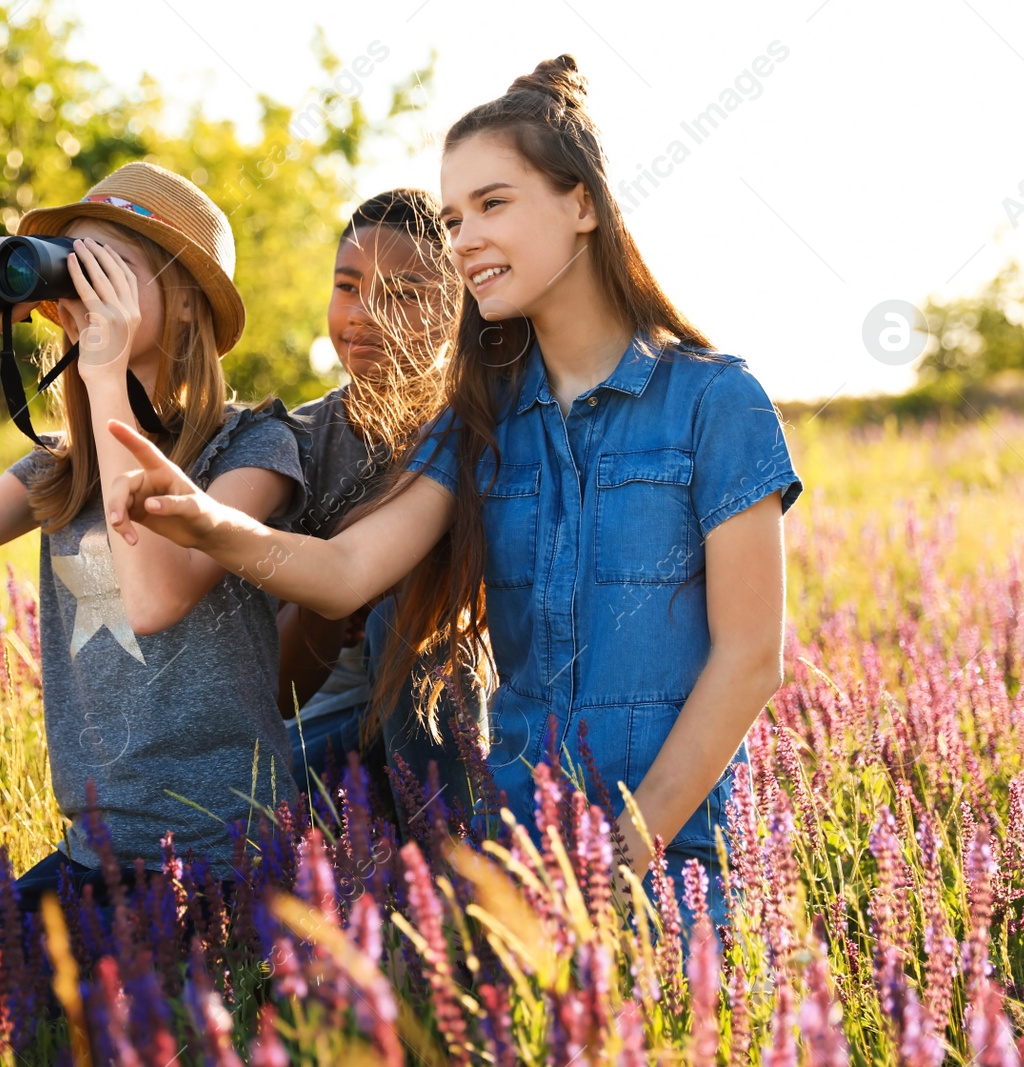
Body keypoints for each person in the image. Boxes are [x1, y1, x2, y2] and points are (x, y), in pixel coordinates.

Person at [98, 57, 804, 936]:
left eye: (493, 204)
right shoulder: (479, 423)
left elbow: (749, 658)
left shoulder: (716, 403)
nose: (464, 238)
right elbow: (349, 568)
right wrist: (210, 524)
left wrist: (625, 850)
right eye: (453, 216)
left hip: (677, 859)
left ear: (583, 205)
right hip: (516, 861)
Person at [0, 161, 308, 963]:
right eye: (71, 261)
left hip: (227, 863)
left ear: (187, 300)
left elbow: (156, 596)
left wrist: (102, 372)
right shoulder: (62, 475)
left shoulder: (255, 448)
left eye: (111, 265)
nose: (84, 287)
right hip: (95, 859)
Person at [280, 188, 462, 806]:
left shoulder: (483, 428)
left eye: (403, 295)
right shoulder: (296, 443)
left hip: (450, 723)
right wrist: (327, 600)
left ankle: (455, 867)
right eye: (348, 286)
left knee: (414, 601)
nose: (363, 314)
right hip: (324, 725)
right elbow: (279, 688)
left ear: (458, 306)